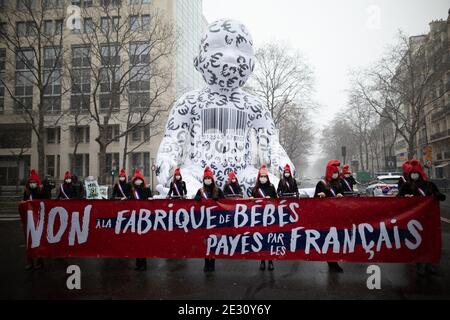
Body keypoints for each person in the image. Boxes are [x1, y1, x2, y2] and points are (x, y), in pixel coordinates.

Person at [397, 159, 446, 277]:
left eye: (416, 173)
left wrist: (437, 195)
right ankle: (419, 265)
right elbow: (398, 198)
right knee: (417, 241)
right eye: (412, 173)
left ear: (420, 173)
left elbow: (441, 196)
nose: (414, 175)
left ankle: (430, 265)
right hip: (414, 220)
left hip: (429, 219)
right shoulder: (406, 186)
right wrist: (406, 198)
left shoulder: (429, 185)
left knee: (430, 241)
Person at [314, 160, 345, 273]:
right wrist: (320, 196)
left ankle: (333, 260)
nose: (336, 175)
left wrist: (341, 196)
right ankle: (332, 261)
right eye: (334, 172)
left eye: (337, 173)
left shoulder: (339, 184)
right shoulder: (321, 184)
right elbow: (314, 200)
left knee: (336, 239)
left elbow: (344, 199)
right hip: (325, 216)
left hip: (336, 215)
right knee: (329, 239)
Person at [194, 167, 224, 272]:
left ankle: (213, 262)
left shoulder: (218, 190)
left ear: (212, 179)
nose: (207, 180)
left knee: (214, 241)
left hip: (215, 220)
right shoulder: (200, 191)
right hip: (205, 220)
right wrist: (196, 199)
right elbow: (194, 203)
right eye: (205, 178)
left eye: (209, 178)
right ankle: (206, 262)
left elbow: (225, 204)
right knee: (206, 242)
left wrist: (219, 200)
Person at [251, 165, 277, 271]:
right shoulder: (255, 189)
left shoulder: (271, 187)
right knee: (261, 239)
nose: (263, 178)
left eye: (264, 176)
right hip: (259, 216)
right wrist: (251, 199)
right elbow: (251, 202)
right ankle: (262, 260)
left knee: (270, 239)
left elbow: (277, 200)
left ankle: (270, 261)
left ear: (267, 177)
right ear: (258, 177)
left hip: (270, 217)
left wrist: (271, 199)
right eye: (261, 176)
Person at [130, 169, 153, 271]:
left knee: (143, 243)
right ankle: (138, 263)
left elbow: (150, 201)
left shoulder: (146, 190)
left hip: (144, 219)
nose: (138, 181)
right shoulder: (132, 191)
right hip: (134, 218)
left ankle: (143, 263)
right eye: (136, 179)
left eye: (139, 179)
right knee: (136, 243)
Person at [22, 169, 44, 270]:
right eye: (31, 183)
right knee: (29, 240)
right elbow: (24, 203)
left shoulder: (40, 192)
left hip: (39, 219)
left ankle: (40, 260)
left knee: (39, 240)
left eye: (34, 182)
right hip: (30, 220)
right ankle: (30, 261)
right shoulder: (27, 193)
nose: (32, 184)